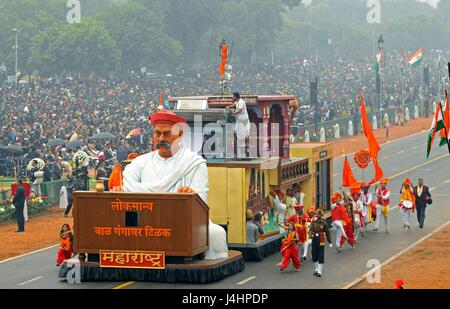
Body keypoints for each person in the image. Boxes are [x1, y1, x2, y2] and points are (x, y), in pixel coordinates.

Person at [123, 109, 228, 260]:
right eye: (157, 133)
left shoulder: (194, 163)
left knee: (215, 234)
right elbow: (127, 189)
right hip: (145, 221)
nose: (160, 138)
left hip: (182, 220)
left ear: (180, 135)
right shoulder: (139, 162)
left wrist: (191, 195)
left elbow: (201, 201)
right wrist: (171, 198)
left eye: (166, 134)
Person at [309, 209, 332, 277]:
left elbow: (327, 233)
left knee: (321, 255)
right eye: (316, 214)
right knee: (314, 255)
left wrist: (329, 241)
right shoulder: (313, 222)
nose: (316, 215)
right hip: (314, 239)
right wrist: (310, 238)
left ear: (321, 215)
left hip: (321, 239)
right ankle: (316, 268)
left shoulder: (324, 223)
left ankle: (320, 271)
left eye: (318, 214)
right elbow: (310, 230)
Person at [227, 92, 250, 158]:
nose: (232, 97)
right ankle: (243, 143)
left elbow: (240, 110)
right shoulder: (238, 101)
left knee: (242, 132)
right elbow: (234, 104)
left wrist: (233, 113)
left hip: (243, 119)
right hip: (240, 119)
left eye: (233, 96)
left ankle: (246, 144)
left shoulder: (241, 102)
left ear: (235, 96)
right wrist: (229, 106)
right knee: (236, 130)